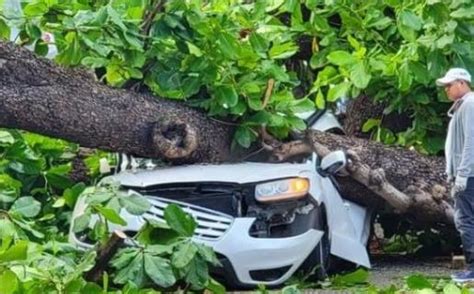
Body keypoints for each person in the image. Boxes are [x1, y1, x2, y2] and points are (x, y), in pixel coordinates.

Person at [437, 68, 474, 282]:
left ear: (461, 83)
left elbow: (470, 142)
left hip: (468, 175)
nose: (446, 90)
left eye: (449, 85)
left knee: (465, 220)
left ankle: (472, 268)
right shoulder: (462, 106)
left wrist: (461, 174)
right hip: (466, 173)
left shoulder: (469, 104)